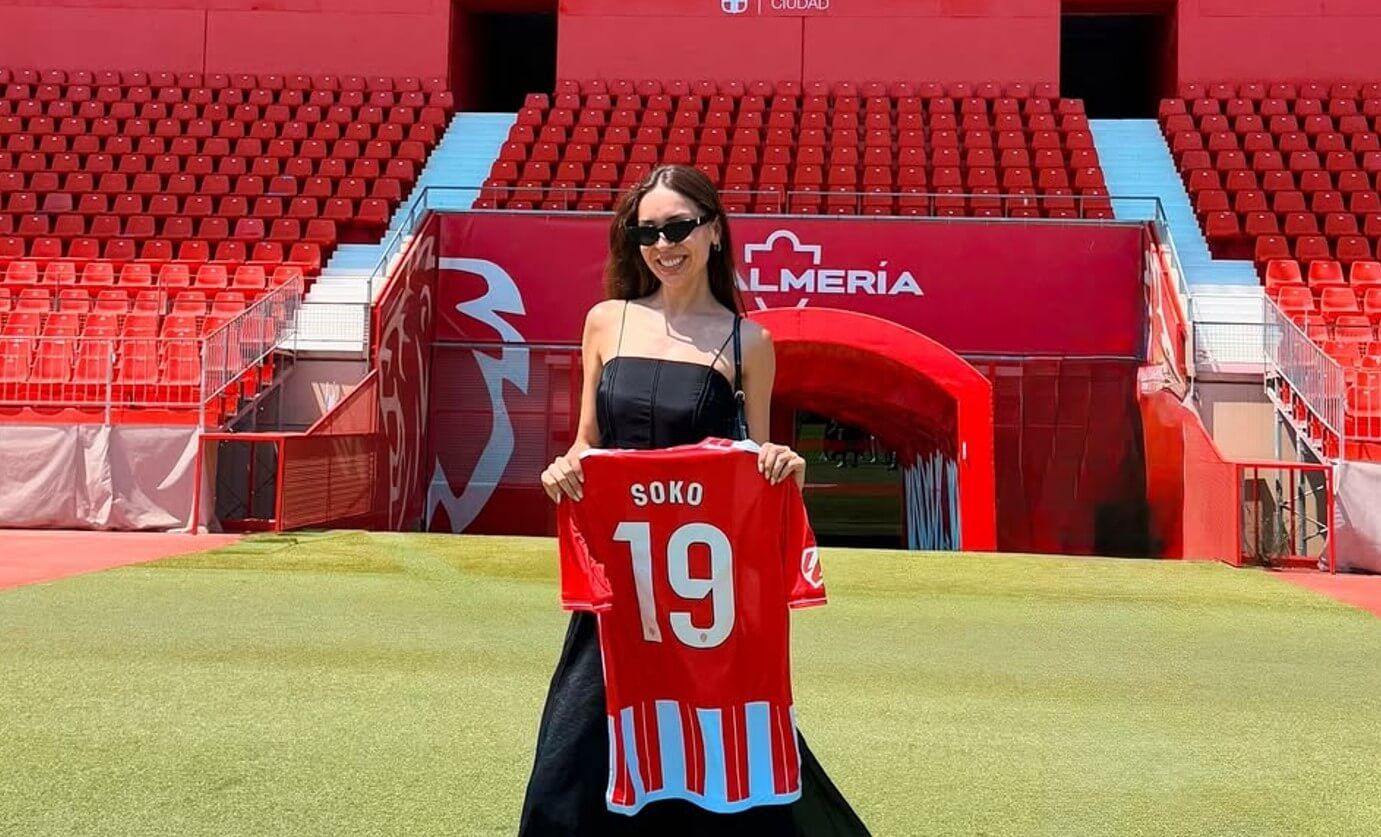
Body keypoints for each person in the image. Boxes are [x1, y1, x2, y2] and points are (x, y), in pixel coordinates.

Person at [522, 165, 870, 836]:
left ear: (712, 231)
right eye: (646, 230)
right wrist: (564, 468)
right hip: (620, 581)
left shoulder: (749, 343)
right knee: (572, 757)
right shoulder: (606, 322)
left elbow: (755, 464)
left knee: (712, 753)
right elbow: (586, 442)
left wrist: (780, 463)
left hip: (702, 595)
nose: (662, 244)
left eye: (677, 226)